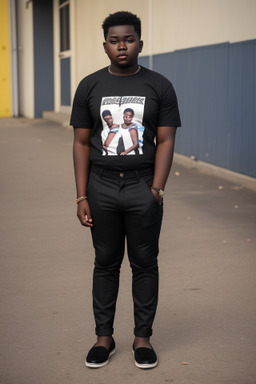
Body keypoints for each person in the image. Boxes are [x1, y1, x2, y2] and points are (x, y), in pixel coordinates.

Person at [70, 11, 181, 369]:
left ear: (140, 43)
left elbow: (165, 140)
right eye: (115, 40)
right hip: (100, 187)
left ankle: (142, 339)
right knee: (105, 263)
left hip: (142, 186)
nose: (122, 45)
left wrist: (157, 190)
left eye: (129, 39)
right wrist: (82, 194)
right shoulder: (89, 86)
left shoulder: (159, 85)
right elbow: (82, 144)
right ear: (105, 45)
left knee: (145, 263)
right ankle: (104, 338)